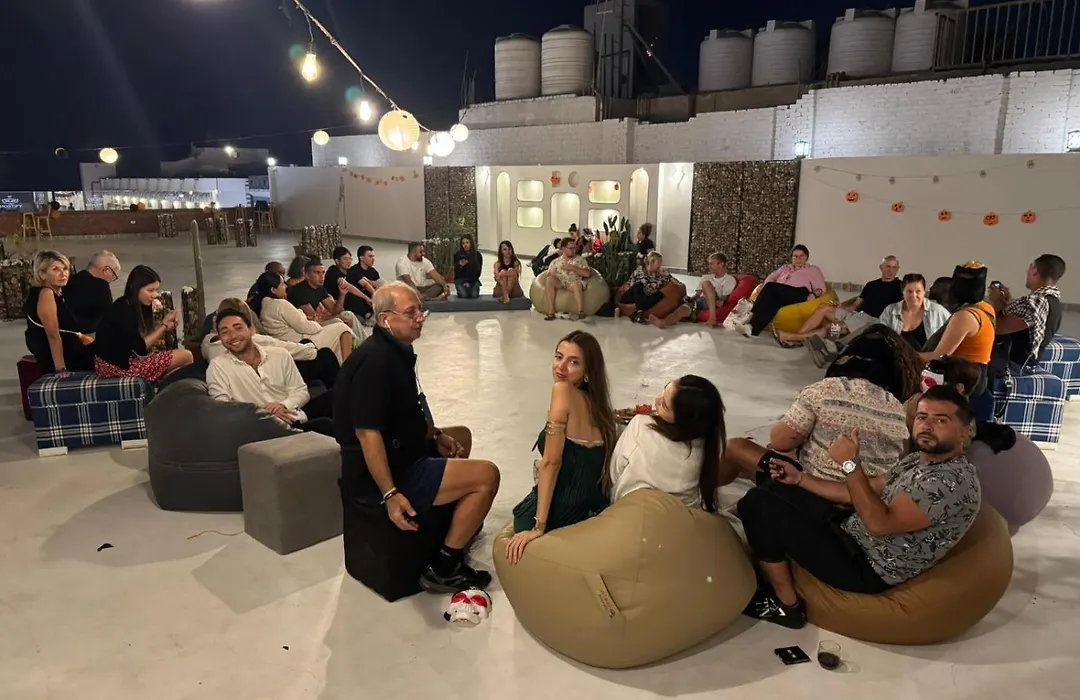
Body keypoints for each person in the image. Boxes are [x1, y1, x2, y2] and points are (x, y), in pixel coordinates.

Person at [738, 386, 981, 628]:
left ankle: (787, 606)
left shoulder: (949, 483)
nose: (927, 426)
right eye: (922, 417)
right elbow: (859, 491)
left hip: (864, 566)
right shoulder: (918, 460)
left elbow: (878, 524)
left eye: (940, 420)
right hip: (850, 531)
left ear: (964, 431)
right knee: (775, 486)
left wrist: (850, 464)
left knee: (757, 503)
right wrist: (799, 478)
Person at [334, 282, 500, 592]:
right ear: (385, 319)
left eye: (420, 311)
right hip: (389, 468)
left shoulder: (394, 351)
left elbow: (405, 412)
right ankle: (445, 566)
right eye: (411, 313)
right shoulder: (375, 362)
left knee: (461, 437)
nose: (420, 318)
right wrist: (390, 494)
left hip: (404, 448)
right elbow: (368, 434)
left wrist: (434, 435)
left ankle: (455, 524)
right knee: (487, 475)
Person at [720, 325, 919, 485]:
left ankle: (705, 505)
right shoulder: (899, 409)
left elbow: (779, 441)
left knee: (735, 447)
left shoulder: (823, 391)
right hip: (867, 501)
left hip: (813, 492)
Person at [506, 330, 616, 564]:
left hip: (562, 512)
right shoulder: (601, 410)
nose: (561, 367)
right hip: (592, 510)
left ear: (588, 372)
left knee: (522, 518)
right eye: (558, 357)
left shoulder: (562, 391)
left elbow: (551, 463)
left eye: (573, 362)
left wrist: (538, 526)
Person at [207, 309, 335, 436]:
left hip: (292, 416)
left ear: (252, 330)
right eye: (225, 332)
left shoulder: (280, 355)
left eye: (238, 328)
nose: (233, 336)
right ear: (220, 338)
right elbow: (222, 409)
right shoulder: (218, 366)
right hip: (259, 428)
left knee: (336, 396)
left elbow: (300, 391)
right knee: (325, 425)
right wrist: (265, 412)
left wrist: (283, 405)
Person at [610, 375, 725, 510]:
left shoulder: (641, 425)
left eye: (664, 405)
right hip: (682, 517)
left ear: (682, 420)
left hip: (628, 512)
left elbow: (614, 473)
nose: (656, 400)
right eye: (663, 391)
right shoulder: (708, 443)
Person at [203, 298, 340, 390]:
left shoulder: (207, 342)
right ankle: (341, 393)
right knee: (324, 355)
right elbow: (300, 352)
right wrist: (311, 347)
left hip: (259, 378)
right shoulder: (251, 340)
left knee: (305, 346)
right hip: (270, 383)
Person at [920, 263, 996, 421]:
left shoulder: (965, 316)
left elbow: (938, 356)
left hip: (964, 381)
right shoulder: (986, 308)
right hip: (979, 378)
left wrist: (906, 354)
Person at [775, 255, 902, 350]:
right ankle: (797, 338)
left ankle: (789, 337)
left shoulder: (900, 287)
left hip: (873, 321)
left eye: (894, 267)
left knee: (832, 328)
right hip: (858, 314)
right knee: (823, 307)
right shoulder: (872, 285)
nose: (890, 270)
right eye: (888, 267)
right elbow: (856, 304)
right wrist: (841, 307)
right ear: (881, 267)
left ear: (897, 269)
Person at [93, 265, 194, 382]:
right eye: (150, 290)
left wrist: (164, 327)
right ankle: (175, 389)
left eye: (156, 290)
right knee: (186, 356)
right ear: (135, 288)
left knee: (177, 362)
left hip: (116, 363)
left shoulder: (128, 305)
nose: (155, 295)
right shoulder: (124, 309)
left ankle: (166, 387)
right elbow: (140, 348)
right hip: (116, 367)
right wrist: (163, 326)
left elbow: (136, 341)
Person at [251, 271, 354, 362]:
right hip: (301, 341)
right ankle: (348, 367)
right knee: (342, 328)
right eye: (282, 284)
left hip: (290, 339)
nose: (285, 287)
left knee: (337, 322)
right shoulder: (280, 304)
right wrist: (316, 324)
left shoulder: (265, 305)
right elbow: (307, 328)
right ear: (273, 290)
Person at [988, 254, 1065, 372]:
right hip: (1019, 365)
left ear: (1034, 271)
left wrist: (996, 302)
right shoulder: (1051, 301)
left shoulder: (1038, 301)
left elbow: (997, 327)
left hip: (1011, 367)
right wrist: (1005, 304)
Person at [24, 250, 95, 375]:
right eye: (55, 269)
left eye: (65, 269)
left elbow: (64, 327)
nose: (63, 274)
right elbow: (53, 335)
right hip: (68, 357)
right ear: (42, 274)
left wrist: (80, 336)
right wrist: (61, 368)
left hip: (73, 350)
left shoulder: (55, 294)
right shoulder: (46, 294)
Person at [737, 245, 826, 337]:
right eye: (795, 256)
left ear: (806, 257)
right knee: (773, 304)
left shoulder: (812, 269)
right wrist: (766, 288)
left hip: (800, 292)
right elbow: (771, 277)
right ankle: (752, 329)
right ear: (791, 258)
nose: (798, 259)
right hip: (781, 293)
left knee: (770, 286)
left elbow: (820, 287)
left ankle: (749, 314)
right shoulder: (785, 268)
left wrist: (814, 294)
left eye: (801, 256)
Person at [647, 252, 736, 329]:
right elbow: (697, 295)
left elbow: (724, 299)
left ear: (721, 264)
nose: (709, 266)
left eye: (711, 264)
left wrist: (719, 300)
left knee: (706, 284)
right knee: (679, 311)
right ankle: (663, 323)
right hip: (700, 302)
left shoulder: (729, 279)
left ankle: (712, 318)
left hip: (713, 302)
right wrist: (690, 299)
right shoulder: (706, 277)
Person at [287, 258, 366, 340]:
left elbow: (335, 310)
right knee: (338, 321)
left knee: (348, 314)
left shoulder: (319, 288)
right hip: (302, 328)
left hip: (314, 322)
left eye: (323, 272)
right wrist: (336, 317)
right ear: (307, 275)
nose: (322, 276)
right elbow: (313, 317)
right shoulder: (299, 291)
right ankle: (358, 344)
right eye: (317, 273)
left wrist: (342, 295)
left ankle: (364, 341)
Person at [878, 273, 952, 351]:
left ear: (924, 292)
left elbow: (953, 336)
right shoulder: (890, 311)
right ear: (903, 292)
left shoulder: (938, 311)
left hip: (928, 358)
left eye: (918, 291)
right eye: (909, 291)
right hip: (896, 357)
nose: (913, 295)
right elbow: (880, 339)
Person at [65, 250, 120, 333]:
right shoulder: (101, 286)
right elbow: (108, 320)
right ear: (106, 270)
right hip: (84, 335)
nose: (111, 281)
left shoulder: (69, 280)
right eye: (113, 276)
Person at [543, 237, 593, 322]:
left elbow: (587, 273)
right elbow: (547, 274)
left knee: (576, 284)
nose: (574, 250)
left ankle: (581, 311)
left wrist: (573, 268)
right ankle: (551, 311)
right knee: (549, 280)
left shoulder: (580, 260)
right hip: (561, 282)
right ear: (563, 249)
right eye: (571, 248)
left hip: (573, 282)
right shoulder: (556, 261)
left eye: (575, 248)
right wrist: (552, 273)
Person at [620, 251, 674, 323]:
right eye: (659, 262)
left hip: (647, 299)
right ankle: (639, 312)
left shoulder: (661, 275)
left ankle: (638, 313)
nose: (660, 265)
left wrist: (668, 275)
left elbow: (678, 284)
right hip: (633, 297)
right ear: (651, 262)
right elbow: (629, 286)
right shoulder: (640, 271)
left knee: (660, 294)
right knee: (638, 285)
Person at [345, 245, 382, 320]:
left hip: (370, 298)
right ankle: (368, 315)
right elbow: (365, 284)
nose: (373, 259)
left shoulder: (373, 272)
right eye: (370, 256)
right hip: (358, 299)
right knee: (352, 297)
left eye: (373, 256)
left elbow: (378, 284)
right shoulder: (353, 271)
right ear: (361, 258)